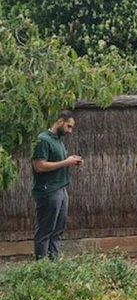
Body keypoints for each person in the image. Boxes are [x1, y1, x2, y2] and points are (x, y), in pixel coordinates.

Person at [32, 111, 83, 260]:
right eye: (69, 126)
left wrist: (71, 160)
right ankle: (42, 267)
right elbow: (39, 166)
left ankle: (54, 265)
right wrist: (65, 162)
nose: (70, 130)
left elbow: (58, 162)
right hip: (48, 190)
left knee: (58, 230)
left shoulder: (58, 140)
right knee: (45, 231)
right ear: (60, 121)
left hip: (61, 189)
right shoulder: (43, 140)